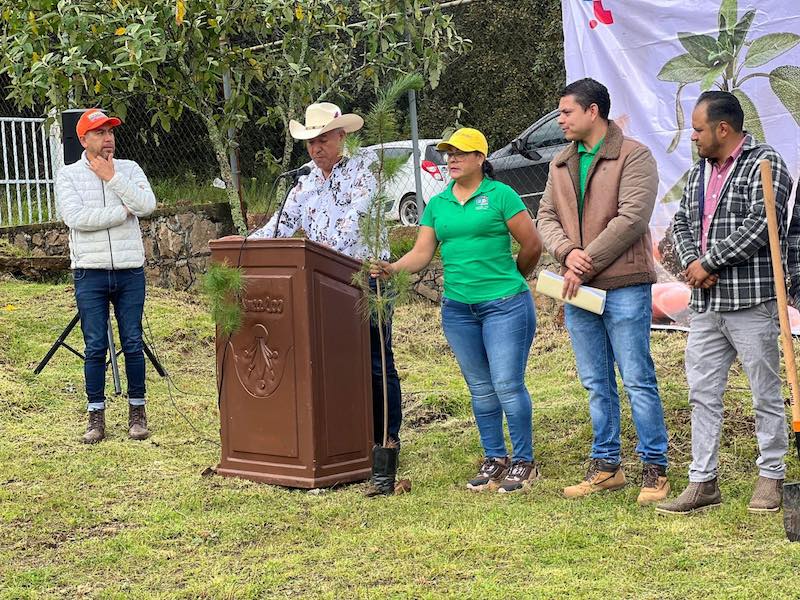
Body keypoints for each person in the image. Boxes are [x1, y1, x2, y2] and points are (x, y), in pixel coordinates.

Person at [371, 127, 543, 493]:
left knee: (507, 385)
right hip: (459, 310)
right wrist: (392, 269)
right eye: (448, 153)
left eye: (461, 153)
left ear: (481, 158)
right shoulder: (439, 204)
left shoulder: (501, 195)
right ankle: (495, 458)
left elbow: (531, 245)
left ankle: (525, 462)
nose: (452, 158)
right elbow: (421, 253)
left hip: (505, 306)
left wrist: (514, 278)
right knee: (480, 388)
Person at [656, 91, 794, 515]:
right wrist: (694, 265)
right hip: (707, 304)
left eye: (698, 129)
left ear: (723, 128)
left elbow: (762, 224)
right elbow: (680, 220)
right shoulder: (700, 171)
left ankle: (771, 475)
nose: (693, 137)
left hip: (751, 302)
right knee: (702, 392)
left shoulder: (765, 163)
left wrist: (710, 261)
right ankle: (703, 481)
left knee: (764, 392)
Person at [536, 78, 670, 505]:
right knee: (596, 382)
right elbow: (544, 217)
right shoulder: (559, 163)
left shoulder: (634, 155)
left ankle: (655, 469)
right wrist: (566, 251)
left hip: (624, 285)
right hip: (579, 289)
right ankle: (606, 466)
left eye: (566, 112)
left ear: (593, 111)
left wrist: (583, 259)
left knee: (637, 378)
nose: (560, 120)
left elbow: (632, 218)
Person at [250, 102, 403, 448]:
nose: (316, 149)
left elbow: (353, 225)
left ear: (341, 136)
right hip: (321, 281)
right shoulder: (303, 181)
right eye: (310, 142)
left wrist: (317, 256)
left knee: (376, 360)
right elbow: (282, 225)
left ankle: (386, 437)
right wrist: (243, 244)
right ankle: (346, 434)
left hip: (367, 278)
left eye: (322, 140)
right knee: (332, 359)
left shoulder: (365, 173)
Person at [56, 108, 157, 443]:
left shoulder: (128, 169)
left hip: (129, 271)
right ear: (84, 139)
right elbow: (76, 218)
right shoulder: (68, 175)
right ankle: (95, 416)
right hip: (90, 272)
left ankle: (137, 412)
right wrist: (122, 212)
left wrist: (113, 178)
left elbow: (147, 205)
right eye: (99, 132)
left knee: (132, 342)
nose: (108, 138)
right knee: (96, 345)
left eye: (111, 131)